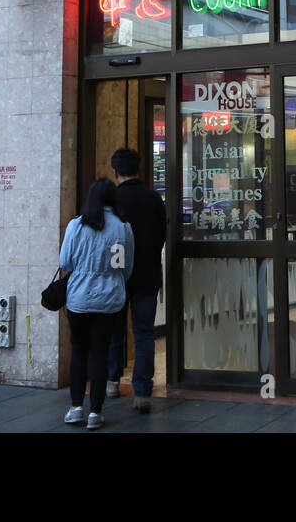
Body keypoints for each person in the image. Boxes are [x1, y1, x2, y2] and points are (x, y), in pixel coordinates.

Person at [60, 178, 134, 430]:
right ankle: (97, 412)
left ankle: (76, 408)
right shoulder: (123, 228)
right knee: (101, 353)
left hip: (78, 300)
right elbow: (126, 268)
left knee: (79, 351)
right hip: (110, 300)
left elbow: (65, 263)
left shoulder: (75, 226)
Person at [105, 147, 166, 413]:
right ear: (139, 170)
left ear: (115, 172)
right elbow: (161, 236)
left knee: (114, 331)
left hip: (116, 277)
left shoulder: (111, 201)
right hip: (147, 275)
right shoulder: (154, 198)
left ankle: (111, 381)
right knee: (144, 334)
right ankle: (142, 393)